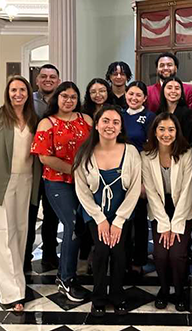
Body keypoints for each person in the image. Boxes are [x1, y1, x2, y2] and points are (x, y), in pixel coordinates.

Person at [74, 104, 141, 317]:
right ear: (97, 124)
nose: (110, 126)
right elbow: (82, 189)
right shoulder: (85, 152)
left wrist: (119, 220)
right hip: (95, 212)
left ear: (121, 128)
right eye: (105, 121)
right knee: (102, 250)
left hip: (122, 211)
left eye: (115, 122)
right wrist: (100, 219)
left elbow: (135, 189)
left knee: (120, 252)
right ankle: (99, 297)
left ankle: (118, 295)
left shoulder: (130, 152)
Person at [31, 81, 93, 302]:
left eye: (73, 97)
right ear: (57, 98)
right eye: (64, 96)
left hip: (85, 183)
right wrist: (74, 171)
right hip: (58, 182)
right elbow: (44, 157)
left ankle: (73, 271)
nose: (69, 100)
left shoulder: (85, 120)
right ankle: (66, 279)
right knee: (72, 223)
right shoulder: (47, 124)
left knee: (83, 225)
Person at [0, 75, 40, 312]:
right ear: (7, 93)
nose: (17, 94)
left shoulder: (33, 119)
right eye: (13, 90)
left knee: (19, 233)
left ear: (28, 93)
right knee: (1, 235)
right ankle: (11, 293)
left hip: (25, 180)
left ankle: (18, 282)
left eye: (22, 90)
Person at [141, 112, 192, 311]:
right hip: (159, 209)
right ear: (155, 132)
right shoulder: (146, 155)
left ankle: (181, 291)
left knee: (177, 254)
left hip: (183, 207)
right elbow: (151, 193)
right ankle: (164, 290)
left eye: (171, 129)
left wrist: (175, 226)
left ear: (177, 132)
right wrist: (165, 225)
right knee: (160, 253)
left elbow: (188, 191)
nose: (166, 134)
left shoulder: (186, 153)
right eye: (162, 129)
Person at [25, 63, 61, 272]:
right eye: (44, 76)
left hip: (54, 168)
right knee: (29, 213)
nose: (48, 80)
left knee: (52, 214)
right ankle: (26, 254)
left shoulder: (62, 101)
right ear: (37, 80)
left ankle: (49, 254)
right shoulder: (29, 102)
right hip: (32, 167)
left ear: (58, 80)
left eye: (52, 77)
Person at [122, 81, 155, 277]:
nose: (133, 98)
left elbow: (150, 148)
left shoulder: (149, 117)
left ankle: (139, 259)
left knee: (140, 219)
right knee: (123, 217)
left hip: (140, 173)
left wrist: (143, 180)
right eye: (130, 94)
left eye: (138, 95)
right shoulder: (120, 115)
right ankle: (122, 257)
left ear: (144, 98)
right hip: (120, 172)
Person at [157, 76, 192, 142]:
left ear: (181, 91)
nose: (173, 91)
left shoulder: (188, 114)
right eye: (169, 88)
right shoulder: (158, 113)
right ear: (163, 90)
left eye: (177, 88)